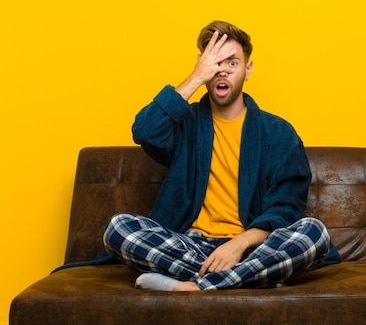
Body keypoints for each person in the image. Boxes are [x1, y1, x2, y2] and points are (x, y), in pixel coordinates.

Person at [103, 20, 340, 291]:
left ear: (247, 69)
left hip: (252, 247)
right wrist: (195, 78)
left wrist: (238, 245)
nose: (223, 72)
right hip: (189, 245)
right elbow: (145, 131)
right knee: (118, 228)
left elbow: (286, 207)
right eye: (215, 63)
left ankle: (188, 286)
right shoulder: (186, 123)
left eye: (232, 62)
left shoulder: (279, 133)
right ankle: (250, 279)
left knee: (314, 233)